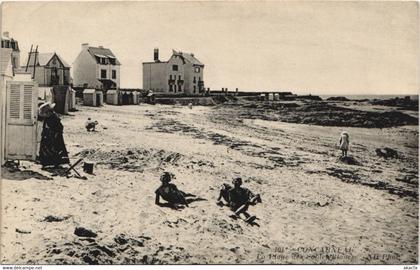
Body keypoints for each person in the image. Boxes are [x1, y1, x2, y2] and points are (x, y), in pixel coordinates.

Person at [38, 102, 69, 168]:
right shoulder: (49, 117)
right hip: (48, 135)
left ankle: (54, 163)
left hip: (54, 135)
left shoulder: (53, 117)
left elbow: (59, 127)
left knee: (54, 149)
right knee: (47, 149)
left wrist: (55, 134)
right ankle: (48, 163)